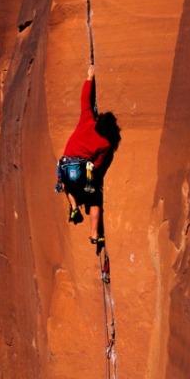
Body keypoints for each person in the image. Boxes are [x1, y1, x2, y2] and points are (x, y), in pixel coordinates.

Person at [57, 65, 120, 245]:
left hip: (64, 163)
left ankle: (74, 206)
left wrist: (89, 76)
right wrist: (93, 181)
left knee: (66, 182)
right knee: (94, 199)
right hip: (83, 166)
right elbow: (98, 164)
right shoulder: (106, 143)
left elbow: (85, 99)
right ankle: (94, 234)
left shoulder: (87, 120)